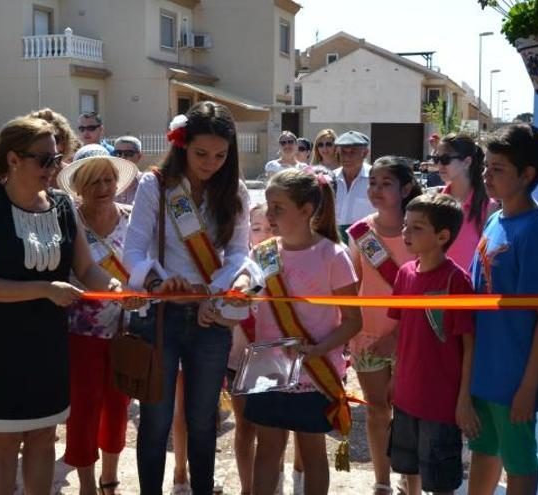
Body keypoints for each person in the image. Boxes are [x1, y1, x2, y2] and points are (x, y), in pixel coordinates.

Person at [0, 118, 138, 495]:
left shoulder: (63, 205)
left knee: (42, 438)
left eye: (56, 159)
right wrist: (44, 289)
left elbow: (86, 268)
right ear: (13, 160)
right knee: (3, 444)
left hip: (48, 345)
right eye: (44, 160)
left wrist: (116, 287)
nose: (53, 168)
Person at [123, 101, 255, 494]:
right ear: (182, 144)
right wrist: (161, 281)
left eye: (220, 155)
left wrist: (222, 290)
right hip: (160, 316)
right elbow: (133, 251)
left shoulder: (236, 191)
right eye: (201, 153)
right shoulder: (156, 185)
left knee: (203, 421)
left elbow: (238, 253)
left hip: (210, 318)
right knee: (156, 420)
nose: (210, 162)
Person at [246, 168, 362, 495]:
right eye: (268, 206)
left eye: (278, 207)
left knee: (311, 452)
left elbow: (353, 321)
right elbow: (250, 302)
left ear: (307, 210)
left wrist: (316, 349)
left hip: (315, 371)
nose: (268, 215)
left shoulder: (333, 255)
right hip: (269, 366)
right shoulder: (264, 252)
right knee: (267, 450)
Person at [468, 124, 538, 495]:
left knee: (520, 461)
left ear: (527, 175)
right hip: (484, 370)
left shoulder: (536, 234)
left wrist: (527, 386)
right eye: (486, 167)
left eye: (498, 169)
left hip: (513, 376)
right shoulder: (496, 218)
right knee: (483, 451)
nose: (487, 176)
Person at [55, 151, 139, 495]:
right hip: (80, 334)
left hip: (126, 333)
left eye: (108, 179)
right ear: (77, 186)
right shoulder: (67, 222)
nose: (103, 187)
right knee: (84, 410)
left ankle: (110, 478)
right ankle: (86, 484)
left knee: (118, 406)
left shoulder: (134, 220)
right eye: (93, 181)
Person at [387, 193, 476, 495]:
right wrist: (395, 380)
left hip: (441, 403)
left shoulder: (457, 281)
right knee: (408, 468)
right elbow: (401, 335)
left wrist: (464, 399)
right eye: (405, 225)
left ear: (442, 236)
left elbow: (469, 345)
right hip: (406, 395)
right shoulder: (404, 274)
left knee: (440, 480)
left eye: (417, 228)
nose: (406, 233)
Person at [346, 156, 422, 495]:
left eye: (385, 183)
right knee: (377, 410)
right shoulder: (361, 232)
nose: (376, 189)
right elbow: (356, 282)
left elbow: (426, 289)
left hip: (411, 338)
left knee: (410, 413)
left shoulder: (420, 230)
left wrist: (397, 336)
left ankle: (413, 482)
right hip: (368, 336)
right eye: (372, 182)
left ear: (405, 188)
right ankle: (382, 481)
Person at [226, 203, 274, 495]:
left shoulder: (287, 262)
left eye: (271, 227)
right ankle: (247, 488)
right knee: (244, 426)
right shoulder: (236, 265)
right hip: (239, 357)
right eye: (257, 229)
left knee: (273, 429)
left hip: (274, 358)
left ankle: (270, 485)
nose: (264, 235)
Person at [431, 134, 498, 270]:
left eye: (445, 159)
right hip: (433, 288)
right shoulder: (432, 200)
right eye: (437, 159)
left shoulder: (489, 208)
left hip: (469, 289)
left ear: (467, 162)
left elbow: (491, 261)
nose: (439, 165)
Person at [332, 130, 376, 243]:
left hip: (367, 241)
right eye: (343, 152)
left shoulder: (375, 179)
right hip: (336, 241)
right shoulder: (331, 178)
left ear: (365, 153)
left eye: (352, 152)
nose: (347, 157)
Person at [112, 135, 145, 204]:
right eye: (118, 153)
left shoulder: (146, 183)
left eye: (128, 153)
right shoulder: (108, 183)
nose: (122, 157)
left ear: (139, 156)